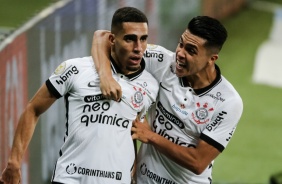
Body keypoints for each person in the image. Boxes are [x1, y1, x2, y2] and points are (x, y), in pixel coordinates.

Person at [0, 7, 159, 184]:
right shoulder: (75, 69)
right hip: (69, 178)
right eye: (130, 39)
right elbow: (33, 109)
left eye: (143, 39)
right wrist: (14, 162)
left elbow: (131, 134)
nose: (138, 48)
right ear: (112, 39)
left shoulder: (150, 85)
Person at [91, 15, 243, 183]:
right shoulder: (162, 62)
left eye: (191, 51)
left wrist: (151, 136)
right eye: (181, 44)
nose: (180, 53)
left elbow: (198, 161)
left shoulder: (228, 102)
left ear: (211, 59)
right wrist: (105, 76)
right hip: (142, 179)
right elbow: (103, 37)